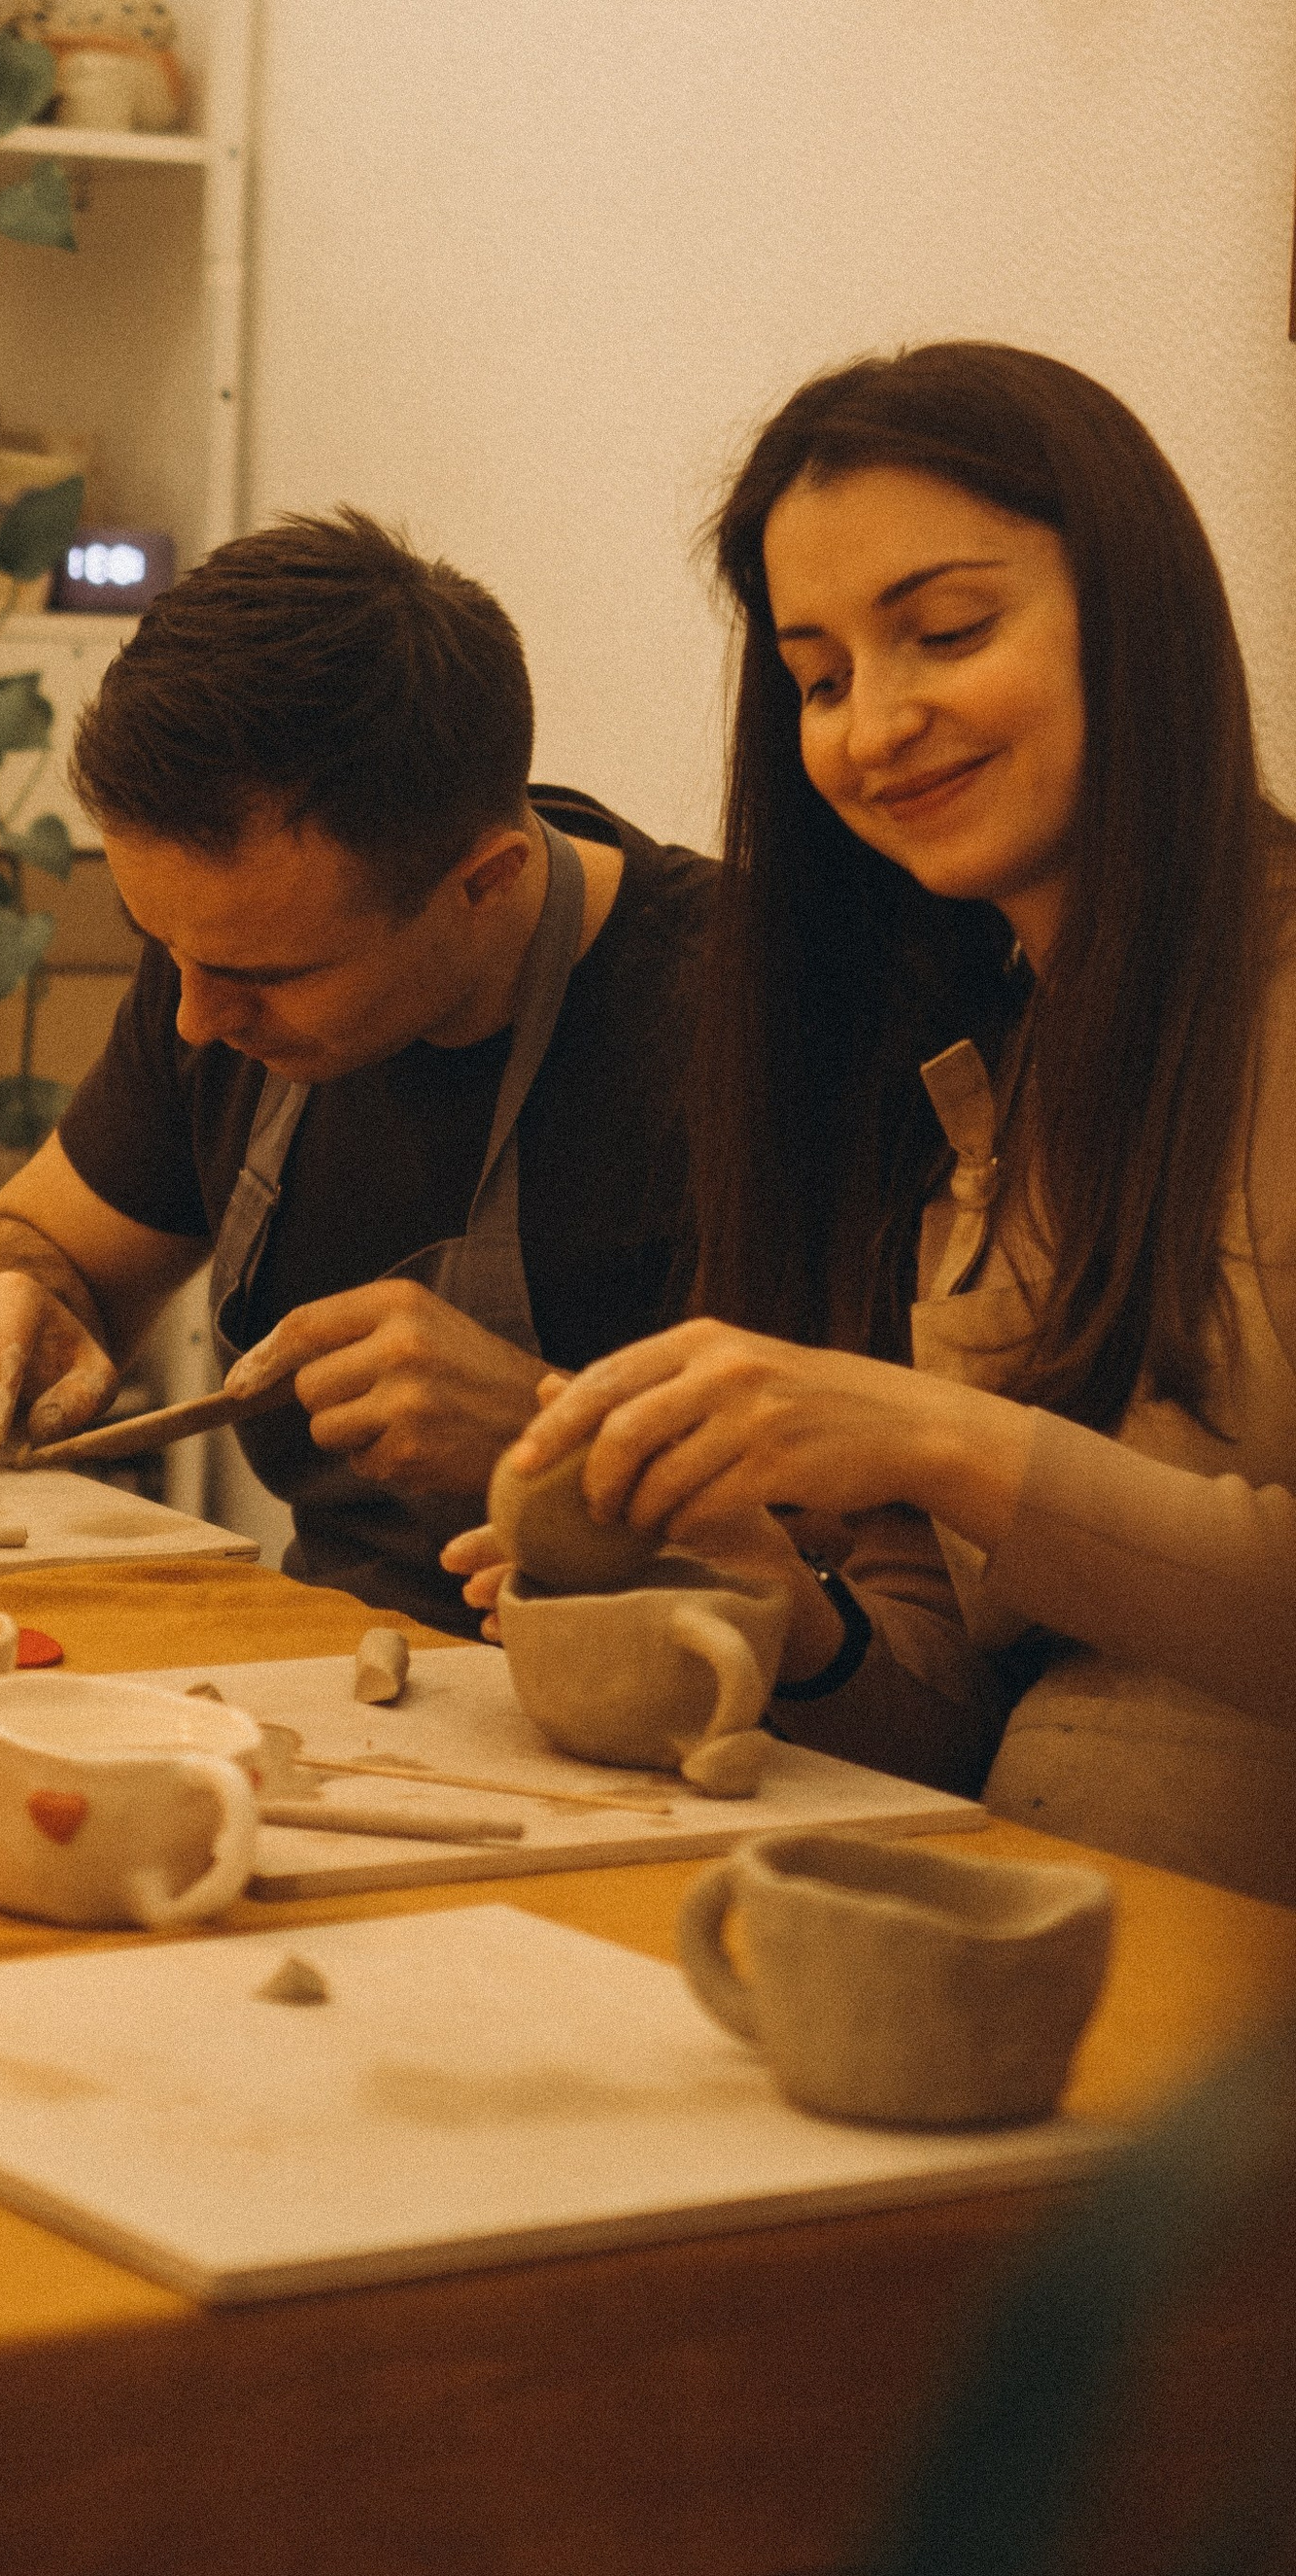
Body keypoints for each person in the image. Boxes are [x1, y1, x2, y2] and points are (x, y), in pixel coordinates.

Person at [461, 345, 1296, 1907]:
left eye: (948, 632)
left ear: (1138, 611)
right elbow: (944, 1728)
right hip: (1016, 1922)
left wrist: (938, 1436)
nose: (875, 725)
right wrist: (774, 1603)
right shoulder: (965, 1069)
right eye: (821, 679)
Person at [0, 508, 719, 1626]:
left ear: (487, 882)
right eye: (168, 952)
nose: (199, 1019)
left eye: (270, 975)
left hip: (659, 1722)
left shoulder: (732, 1024)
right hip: (338, 1664)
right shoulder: (220, 954)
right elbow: (54, 1241)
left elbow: (873, 1571)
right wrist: (19, 1303)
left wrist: (543, 1427)